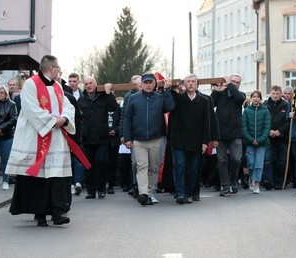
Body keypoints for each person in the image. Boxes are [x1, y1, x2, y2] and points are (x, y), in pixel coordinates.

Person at [6, 55, 85, 227]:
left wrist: (64, 119)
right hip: (36, 136)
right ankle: (40, 213)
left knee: (56, 176)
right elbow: (30, 108)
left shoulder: (57, 86)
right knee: (39, 177)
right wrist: (51, 121)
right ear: (51, 68)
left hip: (56, 137)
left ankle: (57, 213)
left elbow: (68, 106)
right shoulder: (30, 84)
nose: (59, 70)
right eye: (57, 67)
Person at [124, 72, 174, 205]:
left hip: (155, 139)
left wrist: (167, 90)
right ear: (141, 84)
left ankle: (150, 193)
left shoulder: (160, 97)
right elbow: (127, 118)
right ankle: (143, 193)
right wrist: (127, 138)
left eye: (150, 82)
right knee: (141, 166)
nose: (147, 85)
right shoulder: (133, 98)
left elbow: (170, 107)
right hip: (138, 140)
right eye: (145, 82)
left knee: (153, 168)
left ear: (154, 84)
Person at [168, 74, 210, 204]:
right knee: (179, 165)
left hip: (196, 141)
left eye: (193, 81)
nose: (191, 84)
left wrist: (205, 142)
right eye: (188, 81)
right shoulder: (178, 99)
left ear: (197, 84)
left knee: (192, 169)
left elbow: (206, 123)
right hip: (179, 140)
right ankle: (180, 193)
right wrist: (170, 87)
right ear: (184, 84)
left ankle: (188, 193)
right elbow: (168, 98)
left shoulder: (204, 101)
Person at [78, 77, 118, 199]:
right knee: (89, 165)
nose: (89, 86)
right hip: (87, 137)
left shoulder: (104, 97)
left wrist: (108, 93)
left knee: (101, 161)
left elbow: (113, 107)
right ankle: (91, 191)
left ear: (96, 84)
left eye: (91, 83)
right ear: (84, 86)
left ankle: (101, 188)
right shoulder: (81, 100)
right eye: (86, 84)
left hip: (102, 137)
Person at [211, 74, 246, 196]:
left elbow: (239, 98)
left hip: (235, 133)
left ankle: (233, 180)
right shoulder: (221, 94)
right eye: (233, 81)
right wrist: (216, 91)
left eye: (237, 82)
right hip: (221, 133)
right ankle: (225, 186)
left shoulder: (240, 95)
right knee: (221, 161)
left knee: (236, 159)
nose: (235, 83)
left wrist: (229, 85)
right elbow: (210, 104)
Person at [242, 90, 271, 194]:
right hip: (249, 142)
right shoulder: (246, 111)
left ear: (260, 98)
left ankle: (257, 184)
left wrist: (260, 139)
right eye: (254, 97)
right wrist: (251, 139)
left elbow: (267, 127)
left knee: (259, 163)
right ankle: (251, 178)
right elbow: (244, 126)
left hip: (261, 143)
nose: (255, 99)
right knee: (251, 163)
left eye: (257, 97)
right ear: (251, 98)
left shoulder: (265, 111)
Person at [262, 85, 289, 190]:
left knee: (281, 161)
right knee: (267, 159)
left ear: (281, 94)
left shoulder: (286, 105)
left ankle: (279, 181)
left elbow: (288, 122)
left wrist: (280, 131)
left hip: (282, 137)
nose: (275, 95)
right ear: (270, 93)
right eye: (273, 93)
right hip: (268, 137)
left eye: (278, 93)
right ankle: (268, 180)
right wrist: (268, 131)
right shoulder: (264, 105)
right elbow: (262, 120)